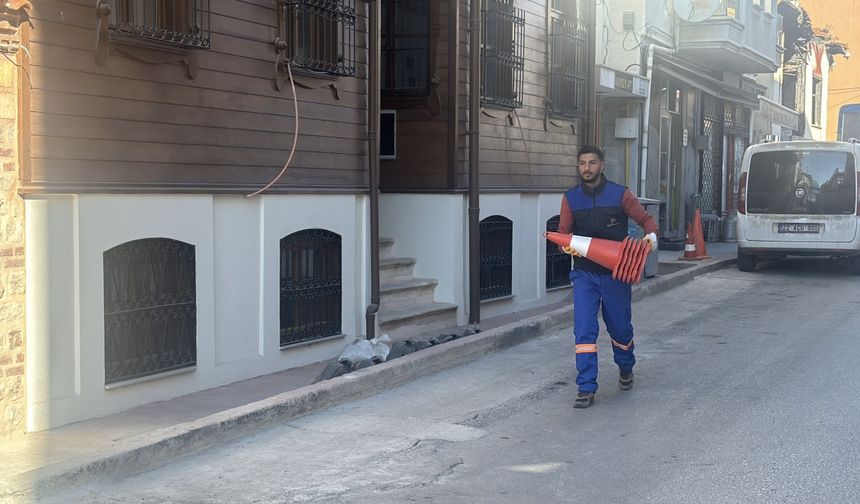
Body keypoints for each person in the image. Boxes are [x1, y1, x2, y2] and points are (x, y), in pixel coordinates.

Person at [557, 145, 658, 409]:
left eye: (591, 163)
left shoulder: (620, 194)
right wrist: (564, 245)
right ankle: (586, 387)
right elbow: (562, 233)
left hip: (617, 274)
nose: (586, 168)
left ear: (602, 165)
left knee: (620, 328)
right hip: (584, 274)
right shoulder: (570, 198)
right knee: (584, 330)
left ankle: (626, 367)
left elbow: (647, 221)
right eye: (582, 164)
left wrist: (651, 237)